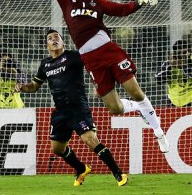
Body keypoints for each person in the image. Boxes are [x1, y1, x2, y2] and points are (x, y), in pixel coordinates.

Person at [34, 0, 169, 153]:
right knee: (114, 107)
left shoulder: (97, 3)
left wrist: (140, 2)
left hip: (108, 50)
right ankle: (138, 109)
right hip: (90, 58)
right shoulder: (67, 2)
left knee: (135, 91)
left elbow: (122, 10)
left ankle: (158, 131)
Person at [15, 29, 127, 186]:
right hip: (60, 112)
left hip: (78, 108)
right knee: (57, 149)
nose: (53, 40)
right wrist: (24, 87)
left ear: (63, 42)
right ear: (47, 44)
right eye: (50, 38)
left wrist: (100, 83)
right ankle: (81, 169)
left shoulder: (74, 56)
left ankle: (118, 174)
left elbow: (94, 65)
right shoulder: (45, 64)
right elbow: (34, 86)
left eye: (56, 37)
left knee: (90, 140)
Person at [155, 40, 192, 107]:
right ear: (176, 53)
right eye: (182, 52)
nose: (186, 54)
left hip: (190, 99)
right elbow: (159, 80)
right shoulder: (168, 63)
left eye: (187, 51)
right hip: (174, 101)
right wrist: (169, 69)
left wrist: (183, 65)